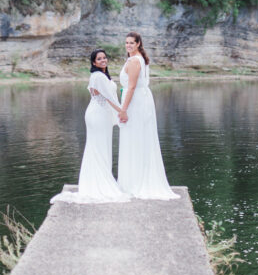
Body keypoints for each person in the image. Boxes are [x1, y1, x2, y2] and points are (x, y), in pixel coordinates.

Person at [50, 49, 130, 204]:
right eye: (99, 59)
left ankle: (98, 179)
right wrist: (122, 112)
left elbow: (109, 96)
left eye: (105, 58)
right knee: (98, 147)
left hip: (102, 115)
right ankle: (98, 183)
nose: (103, 60)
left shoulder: (101, 75)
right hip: (98, 115)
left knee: (101, 147)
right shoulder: (98, 76)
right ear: (94, 62)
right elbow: (109, 98)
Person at [116, 32, 178, 200]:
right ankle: (134, 179)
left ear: (138, 44)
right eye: (126, 42)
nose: (128, 45)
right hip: (141, 101)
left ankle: (134, 182)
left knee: (135, 139)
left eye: (131, 43)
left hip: (136, 103)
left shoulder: (135, 61)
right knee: (138, 139)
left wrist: (123, 110)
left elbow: (131, 87)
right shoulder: (138, 58)